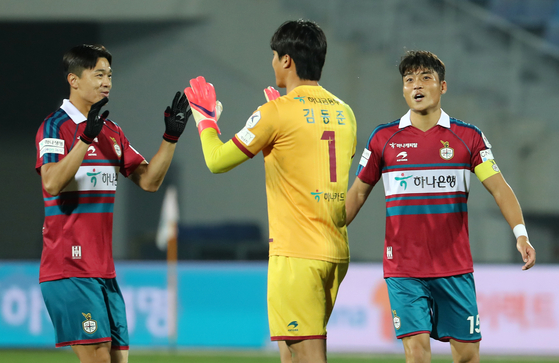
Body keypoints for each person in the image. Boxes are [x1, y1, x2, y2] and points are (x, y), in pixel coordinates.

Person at [345, 50, 536, 363]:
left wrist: (521, 234)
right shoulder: (383, 139)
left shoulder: (468, 138)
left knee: (467, 357)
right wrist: (331, 230)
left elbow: (499, 188)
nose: (416, 85)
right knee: (417, 354)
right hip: (403, 268)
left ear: (442, 87)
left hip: (453, 267)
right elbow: (358, 194)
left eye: (425, 78)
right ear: (403, 89)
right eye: (409, 80)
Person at [184, 20, 357, 363]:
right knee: (291, 354)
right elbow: (311, 156)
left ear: (287, 60)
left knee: (307, 356)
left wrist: (205, 120)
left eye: (275, 57)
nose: (273, 63)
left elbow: (217, 161)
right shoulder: (344, 112)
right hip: (335, 251)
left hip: (296, 255)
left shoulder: (275, 113)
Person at [35, 44, 190, 363]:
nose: (107, 81)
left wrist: (170, 138)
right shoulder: (54, 127)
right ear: (74, 80)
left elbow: (149, 181)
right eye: (99, 74)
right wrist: (83, 141)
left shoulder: (112, 131)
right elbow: (51, 183)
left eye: (110, 75)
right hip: (69, 269)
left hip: (104, 271)